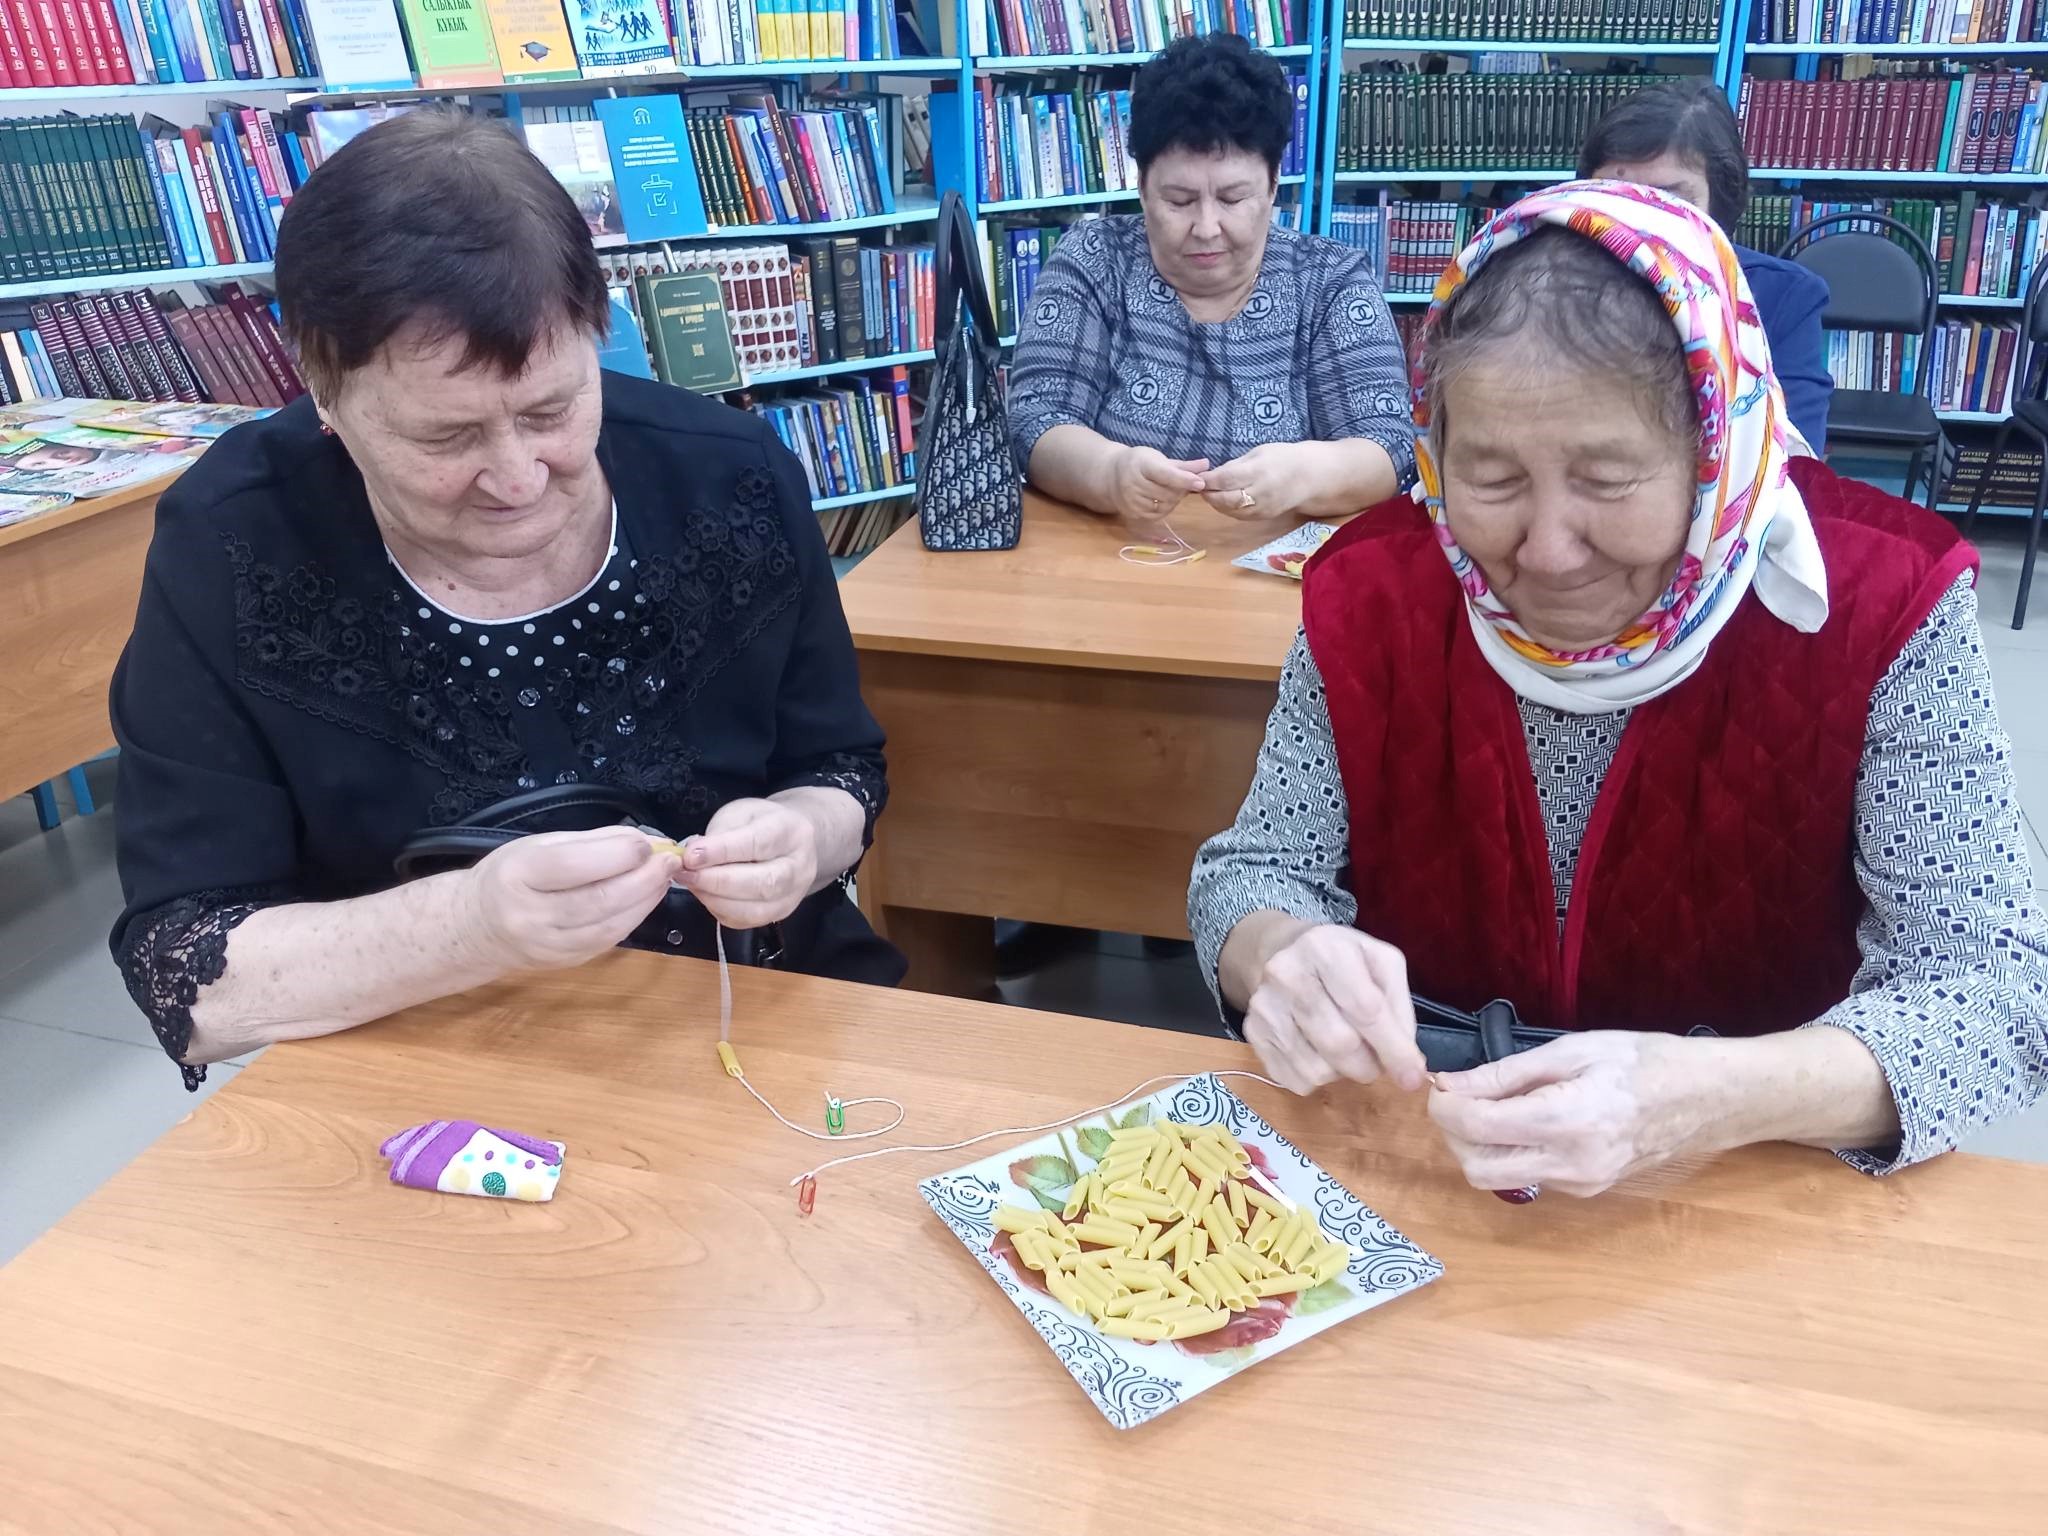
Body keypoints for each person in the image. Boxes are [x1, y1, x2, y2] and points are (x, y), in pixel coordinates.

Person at [1189, 182, 2047, 1196]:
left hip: (1745, 1189)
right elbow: (1253, 870)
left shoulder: (1884, 602)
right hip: (1429, 1176)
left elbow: (1998, 988)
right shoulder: (1371, 589)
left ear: (1715, 448)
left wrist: (1710, 1098)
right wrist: (1276, 952)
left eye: (1605, 480)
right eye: (1492, 479)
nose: (1547, 551)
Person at [109, 111, 899, 1090]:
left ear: (596, 335)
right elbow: (186, 976)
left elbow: (839, 767)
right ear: (324, 389)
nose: (518, 478)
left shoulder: (729, 479)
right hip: (421, 1071)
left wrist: (801, 844)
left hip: (761, 1015)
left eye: (550, 410)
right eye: (445, 438)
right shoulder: (234, 545)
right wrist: (471, 925)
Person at [1008, 33, 1413, 524]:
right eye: (1178, 201)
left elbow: (1389, 447)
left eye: (1232, 198)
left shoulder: (1330, 282)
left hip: (1279, 565)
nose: (1205, 227)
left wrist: (1306, 474)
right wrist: (1110, 472)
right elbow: (1035, 419)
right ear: (1141, 188)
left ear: (1273, 186)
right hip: (1113, 552)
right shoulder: (1094, 259)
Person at [1578, 78, 1834, 454]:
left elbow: (1795, 459)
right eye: (1613, 198)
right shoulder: (1545, 282)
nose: (1636, 222)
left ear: (1720, 205)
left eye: (1667, 201)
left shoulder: (1784, 297)